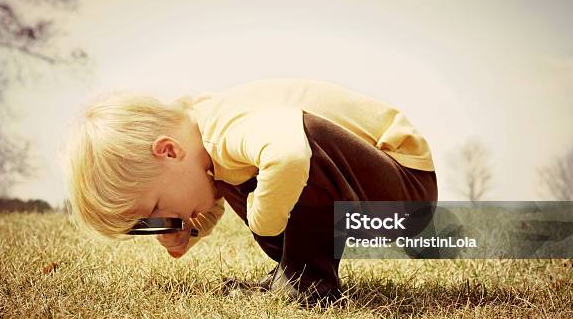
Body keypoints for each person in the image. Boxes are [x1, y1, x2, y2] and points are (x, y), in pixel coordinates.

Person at [65, 77, 437, 305]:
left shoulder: (224, 127)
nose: (164, 220)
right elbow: (212, 186)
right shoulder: (201, 137)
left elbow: (291, 156)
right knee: (249, 177)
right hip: (372, 188)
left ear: (168, 150)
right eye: (153, 223)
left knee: (293, 151)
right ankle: (296, 270)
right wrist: (186, 231)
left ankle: (308, 283)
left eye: (158, 208)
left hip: (404, 188)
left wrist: (264, 223)